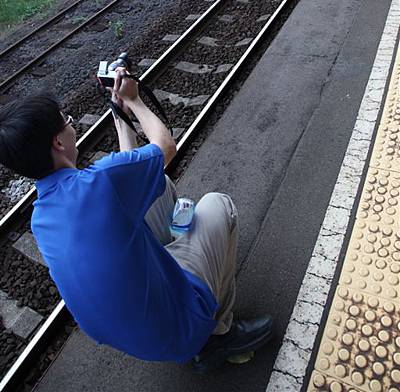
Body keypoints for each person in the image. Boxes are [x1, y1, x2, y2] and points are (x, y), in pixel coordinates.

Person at [0, 68, 273, 372]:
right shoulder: (99, 183)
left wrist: (120, 113)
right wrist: (136, 101)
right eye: (67, 122)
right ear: (58, 144)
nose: (71, 126)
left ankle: (181, 267)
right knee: (218, 205)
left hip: (138, 340)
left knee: (160, 187)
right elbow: (166, 146)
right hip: (181, 328)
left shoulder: (42, 218)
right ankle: (219, 335)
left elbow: (128, 173)